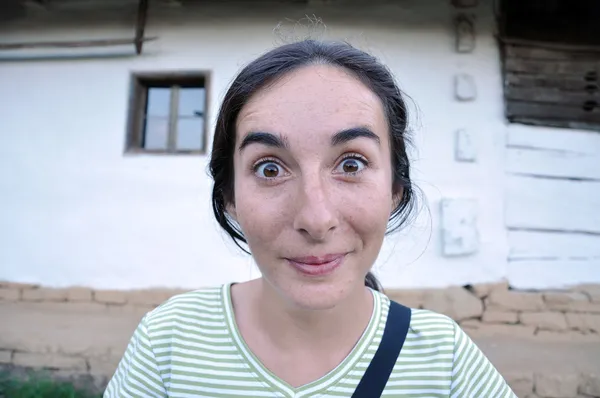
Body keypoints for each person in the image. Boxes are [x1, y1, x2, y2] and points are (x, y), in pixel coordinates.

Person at [104, 39, 516, 398]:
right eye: (270, 169)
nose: (316, 219)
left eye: (351, 164)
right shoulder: (168, 344)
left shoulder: (445, 362)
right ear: (229, 196)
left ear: (395, 188)